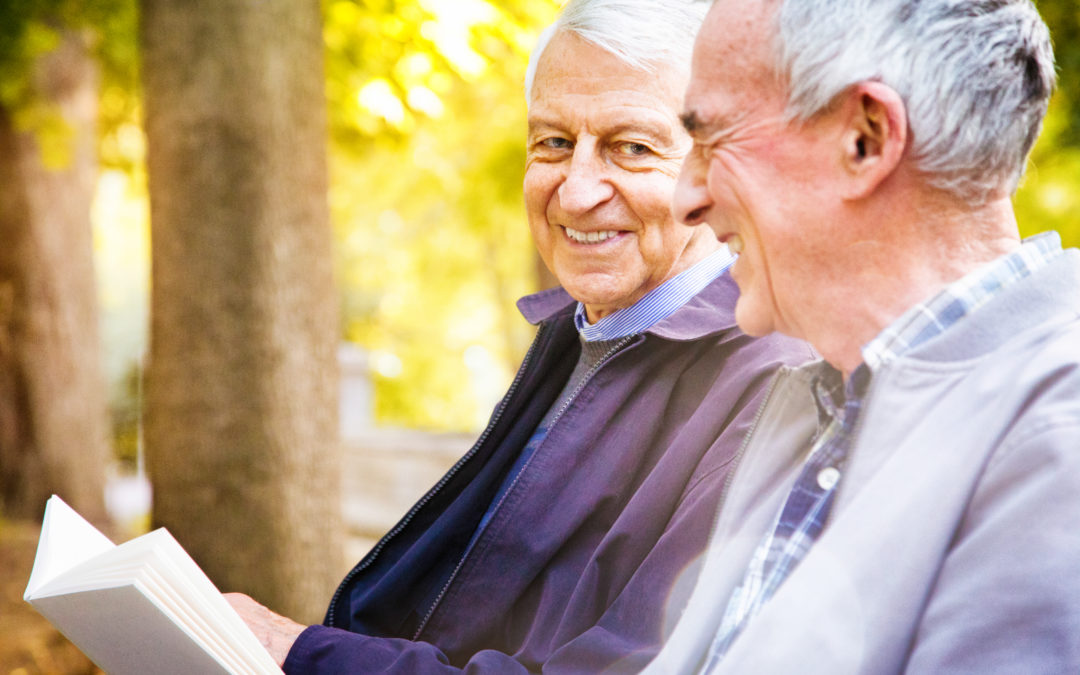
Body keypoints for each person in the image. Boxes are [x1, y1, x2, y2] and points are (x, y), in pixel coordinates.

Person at [226, 0, 813, 672]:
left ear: (716, 166)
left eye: (633, 147)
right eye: (554, 143)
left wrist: (300, 652)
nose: (577, 190)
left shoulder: (771, 382)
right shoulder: (579, 329)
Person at [642, 0, 1080, 673]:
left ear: (867, 140)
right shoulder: (818, 402)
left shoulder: (1056, 436)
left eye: (712, 140)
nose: (685, 197)